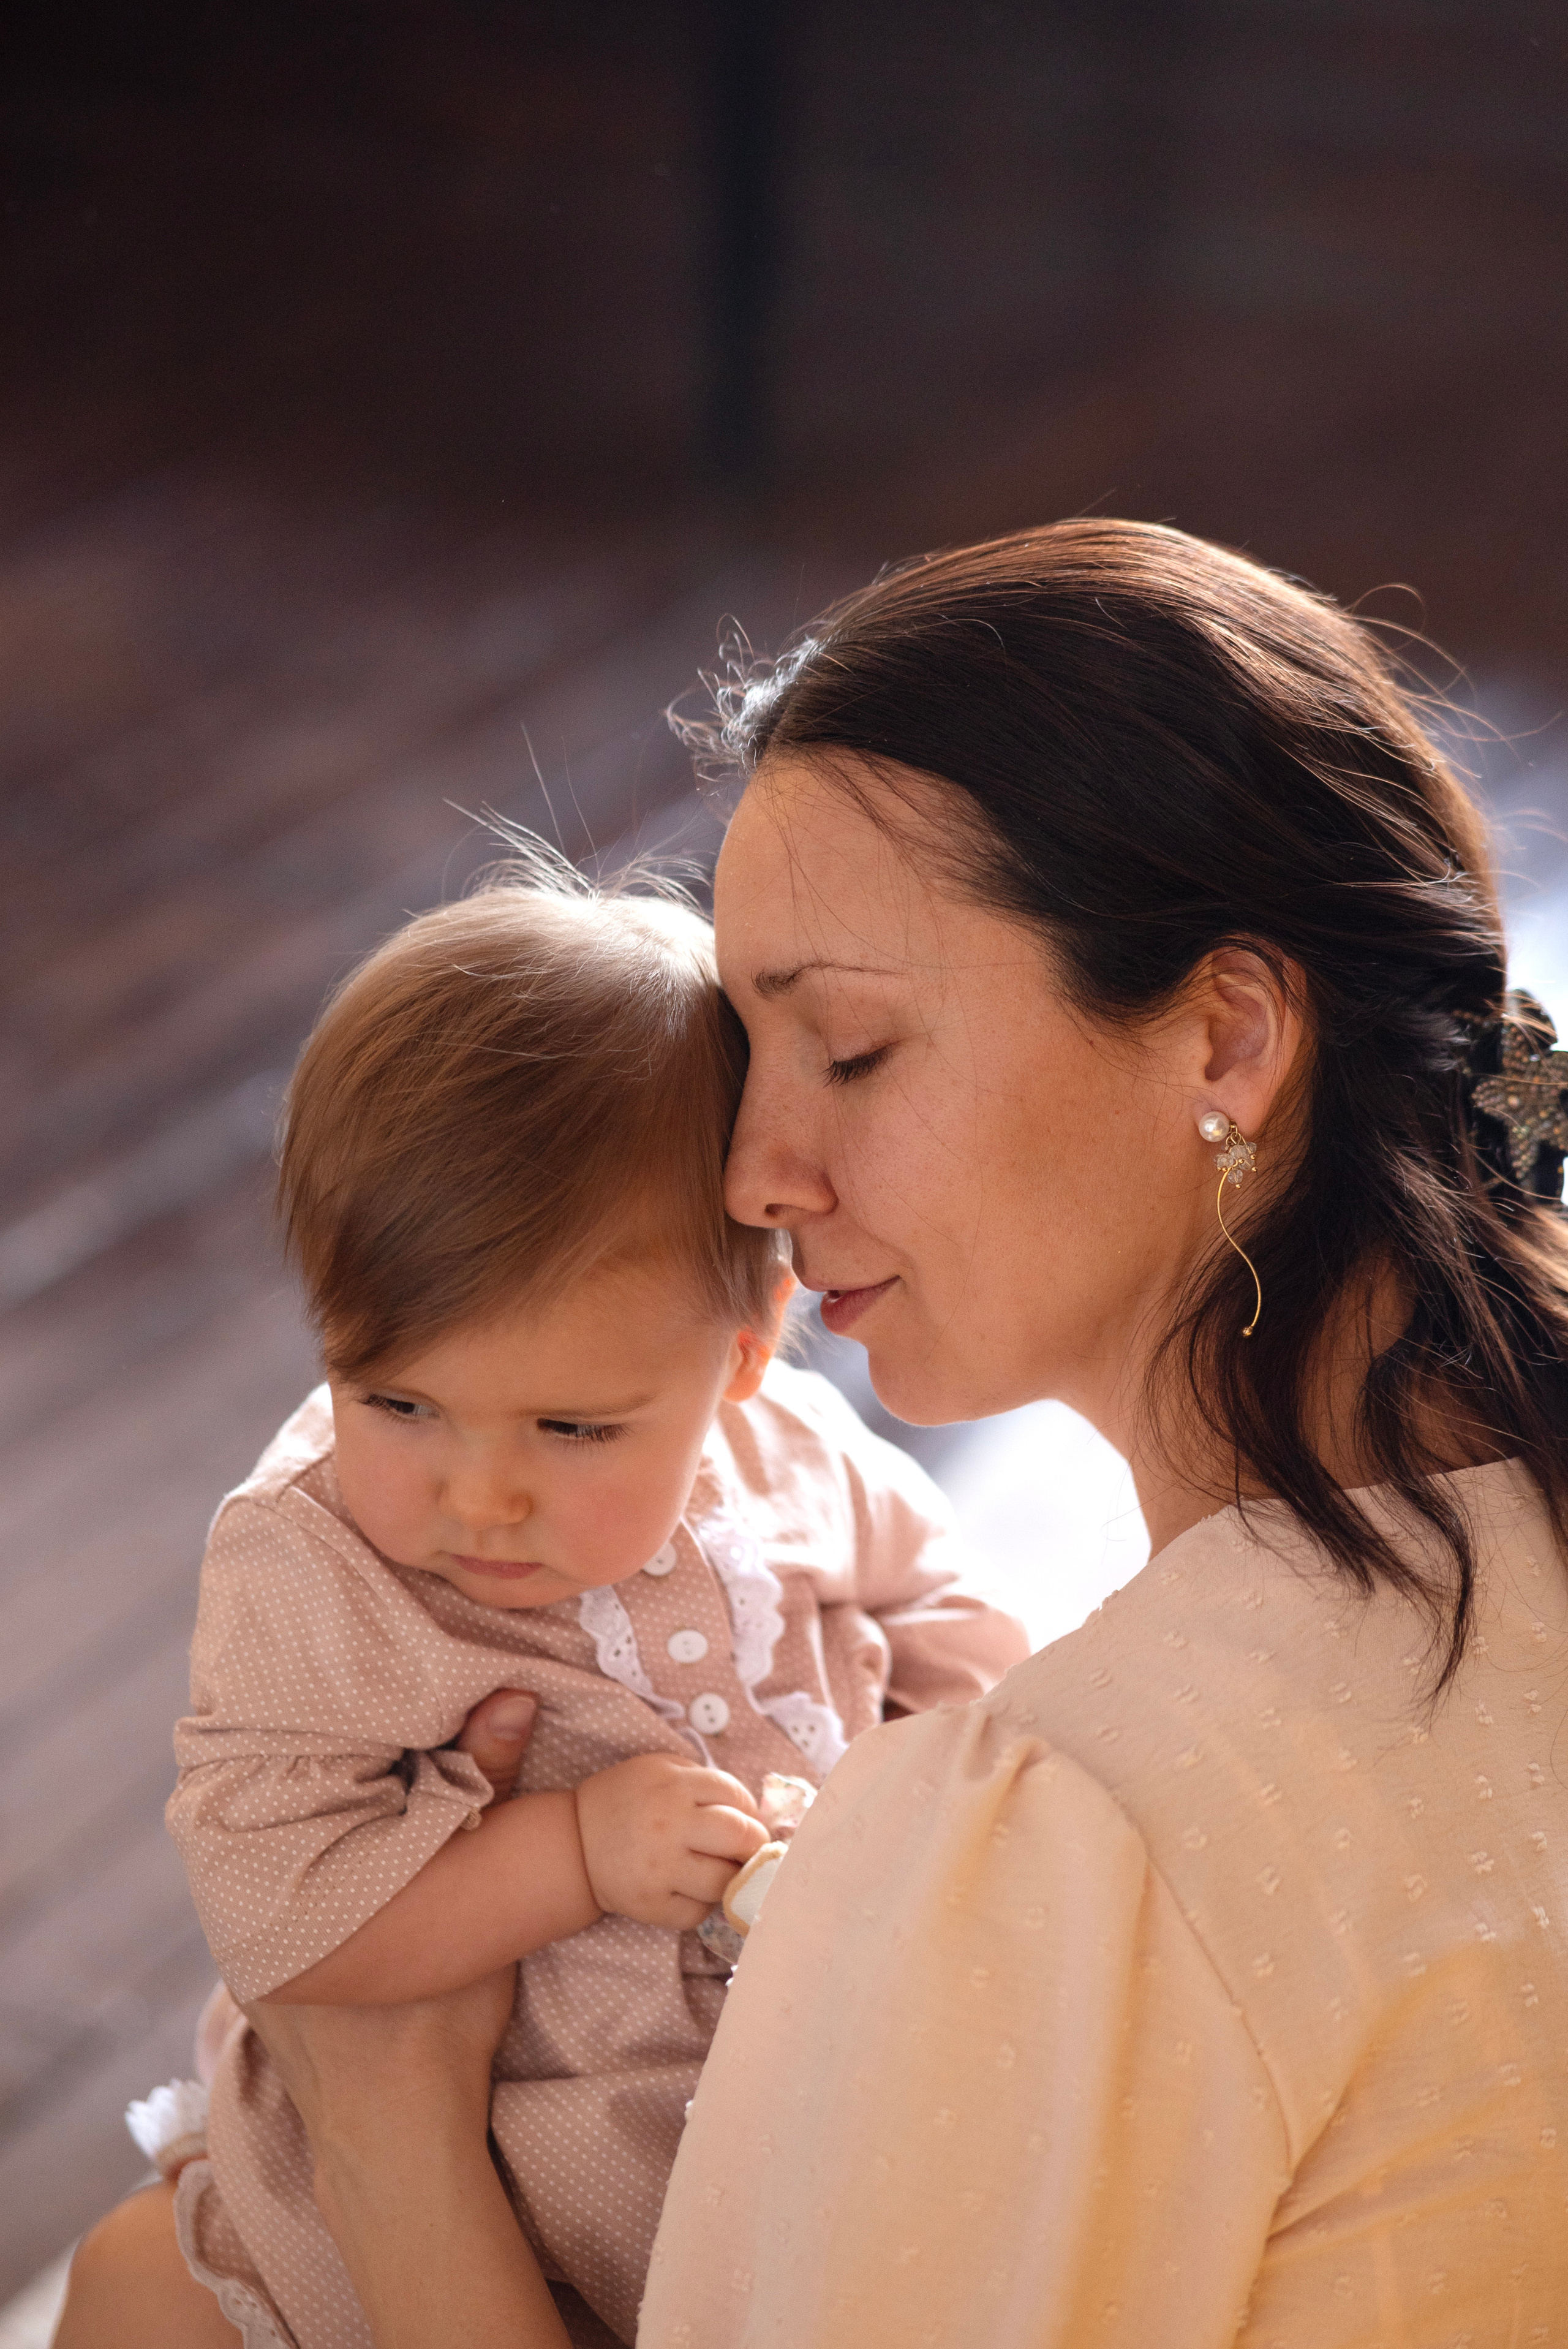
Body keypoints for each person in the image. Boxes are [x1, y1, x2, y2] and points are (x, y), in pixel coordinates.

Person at [61, 517, 1568, 2345]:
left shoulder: (1085, 1836)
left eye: (847, 1051)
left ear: (1228, 1043)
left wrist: (387, 2134)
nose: (758, 1178)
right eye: (748, 1063)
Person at [58, 871, 1025, 2349]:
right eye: (394, 1400)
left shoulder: (800, 1459)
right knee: (158, 2301)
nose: (478, 1497)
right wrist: (565, 1853)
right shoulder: (313, 1567)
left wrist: (955, 1785)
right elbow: (283, 1925)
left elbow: (939, 1613)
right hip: (483, 2167)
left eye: (572, 1431)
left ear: (747, 1353)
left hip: (800, 2107)